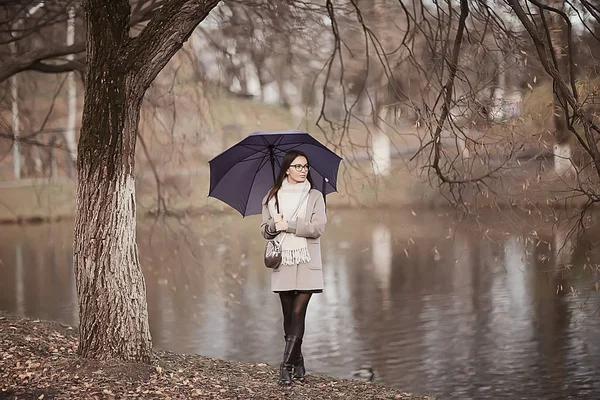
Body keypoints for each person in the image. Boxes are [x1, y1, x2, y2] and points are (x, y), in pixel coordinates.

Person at [260, 150, 327, 386]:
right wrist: (274, 225)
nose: (303, 170)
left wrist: (289, 225)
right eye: (298, 166)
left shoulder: (315, 196)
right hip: (283, 261)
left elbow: (317, 228)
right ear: (287, 169)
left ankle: (285, 367)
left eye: (306, 166)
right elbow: (264, 231)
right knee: (288, 316)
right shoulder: (272, 197)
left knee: (299, 313)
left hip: (307, 261)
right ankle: (298, 363)